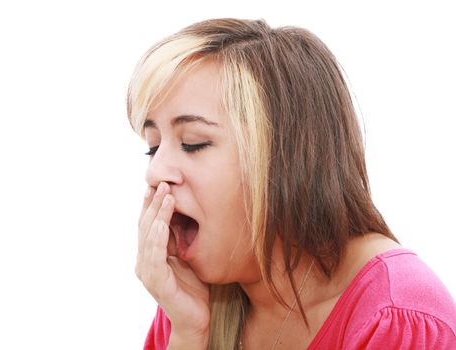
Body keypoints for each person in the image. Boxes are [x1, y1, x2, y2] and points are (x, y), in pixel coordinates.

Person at [126, 18, 456, 349]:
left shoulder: (398, 318)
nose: (155, 172)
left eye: (194, 143)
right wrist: (188, 334)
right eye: (153, 147)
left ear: (286, 157)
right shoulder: (184, 304)